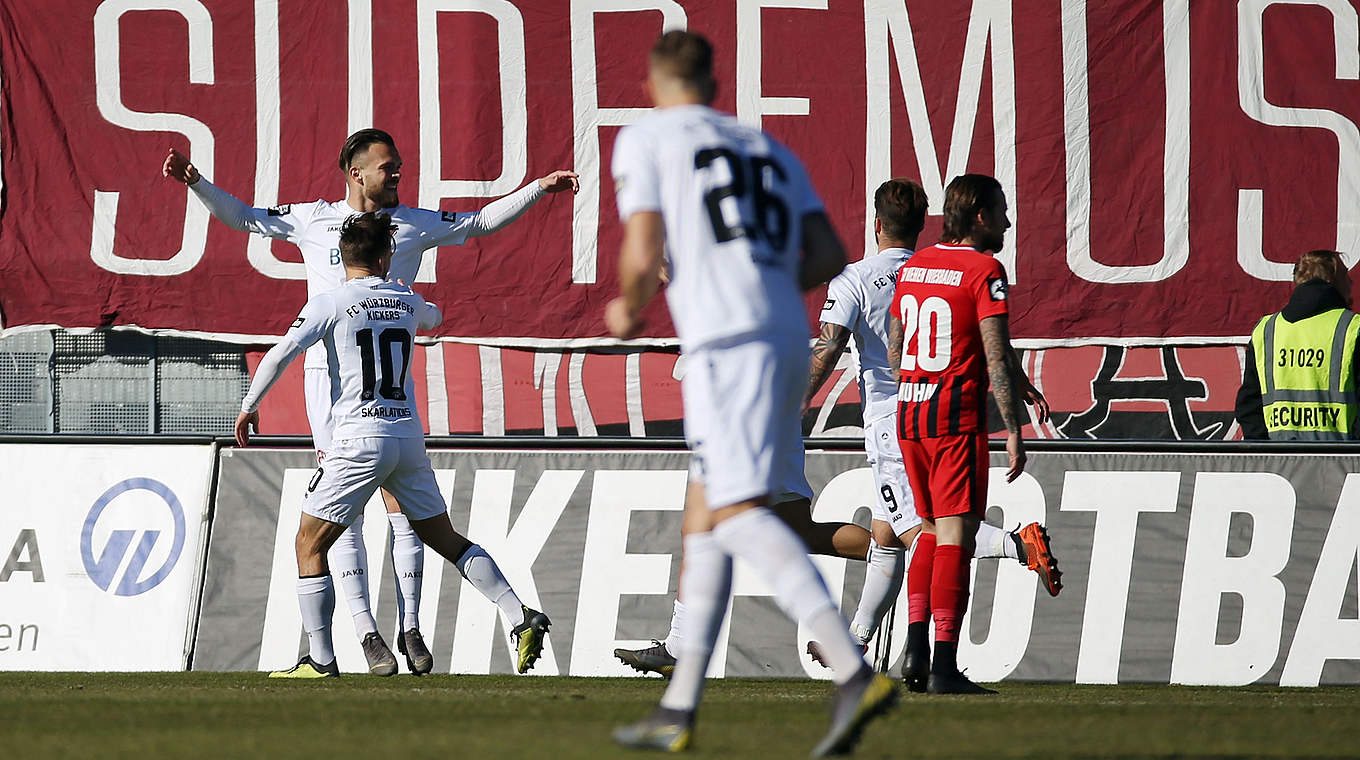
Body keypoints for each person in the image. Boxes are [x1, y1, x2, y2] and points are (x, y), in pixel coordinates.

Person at [164, 131, 578, 675]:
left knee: (354, 517)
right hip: (337, 386)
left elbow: (478, 223)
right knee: (372, 519)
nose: (399, 175)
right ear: (357, 173)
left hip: (369, 390)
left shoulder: (408, 225)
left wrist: (536, 190)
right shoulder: (315, 220)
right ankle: (370, 633)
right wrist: (196, 182)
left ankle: (400, 629)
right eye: (390, 167)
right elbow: (244, 217)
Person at [604, 31, 894, 756]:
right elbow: (828, 255)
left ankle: (853, 671)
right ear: (714, 80)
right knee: (705, 518)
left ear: (653, 82)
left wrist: (627, 305)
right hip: (785, 337)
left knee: (733, 516)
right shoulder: (766, 148)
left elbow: (642, 255)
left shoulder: (648, 140)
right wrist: (762, 293)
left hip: (725, 348)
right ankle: (677, 708)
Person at [235, 212, 551, 678]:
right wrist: (405, 305)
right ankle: (520, 615)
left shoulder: (330, 302)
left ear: (341, 256)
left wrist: (249, 404)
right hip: (406, 437)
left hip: (358, 439)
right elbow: (435, 316)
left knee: (309, 541)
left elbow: (284, 351)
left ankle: (321, 660)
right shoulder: (405, 298)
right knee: (443, 537)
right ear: (386, 256)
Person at [804, 179, 1060, 677]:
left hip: (895, 420)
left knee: (922, 533)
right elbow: (984, 333)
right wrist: (1017, 384)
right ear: (921, 225)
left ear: (875, 224)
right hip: (938, 408)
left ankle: (1014, 543)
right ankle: (854, 643)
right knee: (885, 534)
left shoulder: (857, 280)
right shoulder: (938, 267)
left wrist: (798, 406)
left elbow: (837, 348)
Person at [887, 173, 1028, 694]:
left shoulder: (916, 264)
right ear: (983, 216)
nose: (1009, 222)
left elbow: (896, 347)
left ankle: (916, 649)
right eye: (1003, 211)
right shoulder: (986, 269)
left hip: (909, 413)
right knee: (955, 536)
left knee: (927, 530)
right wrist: (1012, 426)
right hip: (954, 418)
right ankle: (945, 664)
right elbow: (994, 353)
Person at [1236, 249, 1360, 440]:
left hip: (1280, 462)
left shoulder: (1266, 330)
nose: (1351, 284)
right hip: (1342, 461)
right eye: (1346, 277)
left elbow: (1249, 405)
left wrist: (1265, 452)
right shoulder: (1352, 327)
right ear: (1331, 280)